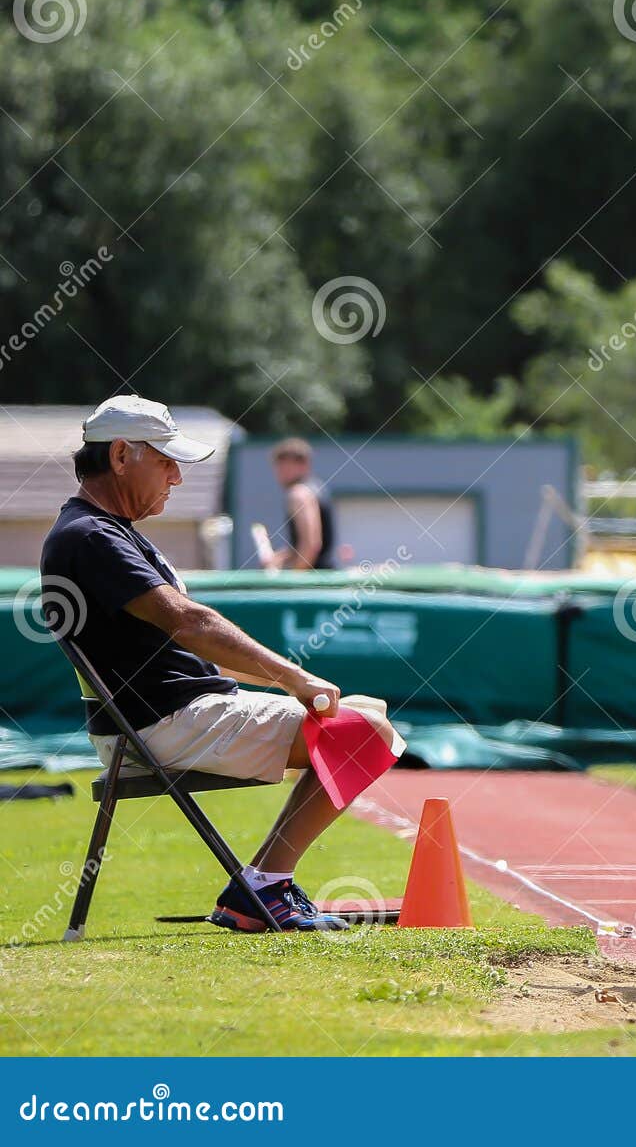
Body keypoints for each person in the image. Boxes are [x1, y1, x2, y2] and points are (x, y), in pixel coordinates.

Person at [40, 396, 395, 931]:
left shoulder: (102, 531)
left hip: (162, 717)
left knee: (368, 712)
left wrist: (276, 684)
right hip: (159, 723)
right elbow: (190, 624)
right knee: (366, 732)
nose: (176, 477)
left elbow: (188, 641)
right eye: (166, 461)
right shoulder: (90, 535)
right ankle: (265, 887)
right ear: (119, 456)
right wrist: (295, 678)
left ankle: (261, 887)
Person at [263, 437, 337, 571]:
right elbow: (303, 546)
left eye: (282, 467)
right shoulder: (317, 488)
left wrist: (294, 580)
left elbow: (311, 545)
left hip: (314, 584)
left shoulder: (299, 494)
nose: (278, 474)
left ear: (303, 465)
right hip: (325, 576)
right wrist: (280, 558)